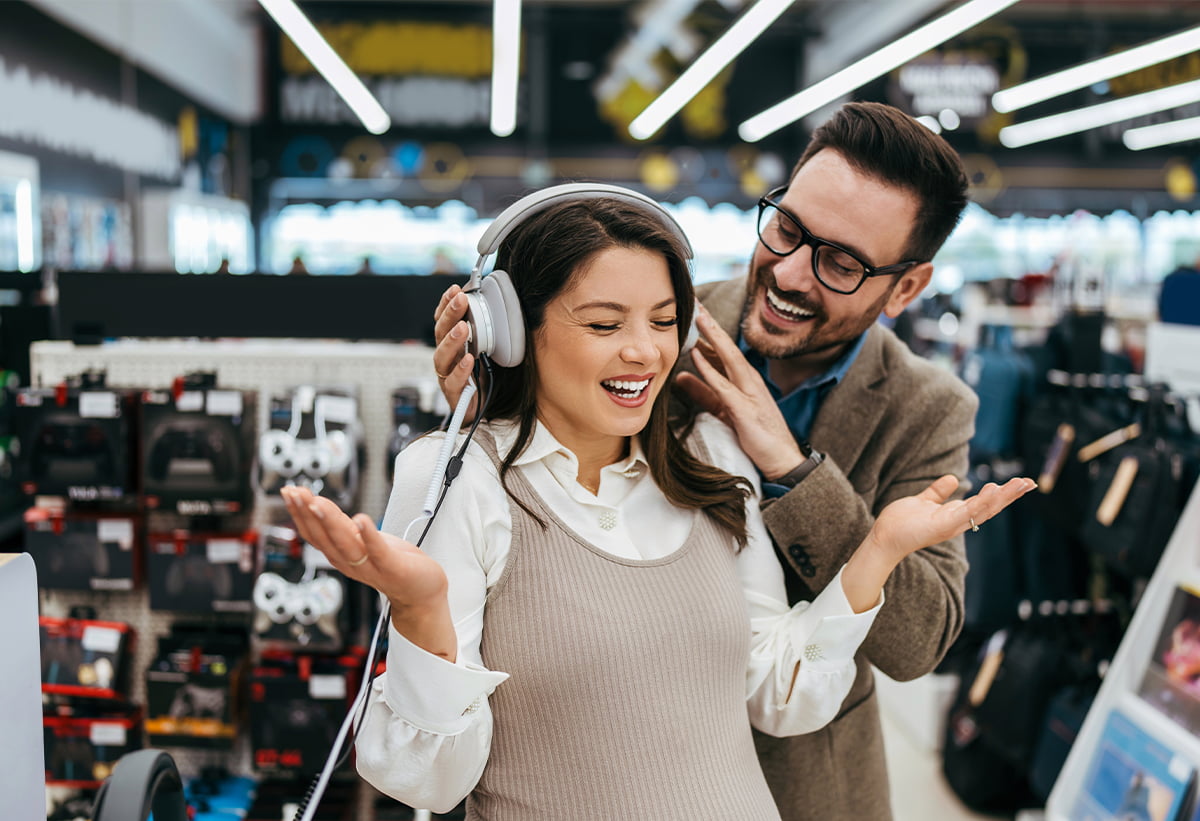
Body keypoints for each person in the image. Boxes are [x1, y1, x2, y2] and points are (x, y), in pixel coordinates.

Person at [284, 188, 1032, 819]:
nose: (644, 351)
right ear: (511, 331)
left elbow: (779, 690)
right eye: (604, 324)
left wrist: (876, 552)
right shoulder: (455, 477)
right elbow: (430, 780)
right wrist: (422, 613)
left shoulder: (707, 452)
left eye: (664, 320)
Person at [431, 102, 980, 821]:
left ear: (905, 287)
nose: (788, 273)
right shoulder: (659, 320)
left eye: (841, 263)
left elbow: (917, 642)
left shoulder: (927, 406)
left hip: (806, 784)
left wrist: (789, 467)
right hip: (601, 763)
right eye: (787, 229)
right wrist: (493, 414)